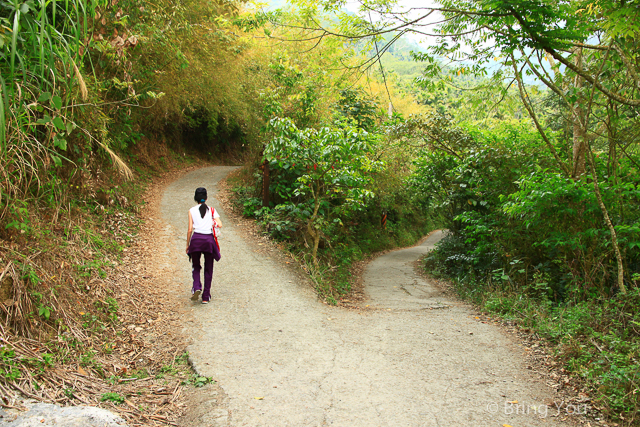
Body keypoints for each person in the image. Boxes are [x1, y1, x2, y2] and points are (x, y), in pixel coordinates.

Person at [186, 187, 221, 304]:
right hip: (209, 241)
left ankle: (196, 287)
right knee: (208, 268)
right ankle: (206, 296)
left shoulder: (191, 210)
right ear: (206, 198)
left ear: (195, 198)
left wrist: (188, 245)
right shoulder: (211, 210)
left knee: (196, 266)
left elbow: (190, 229)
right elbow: (220, 224)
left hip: (196, 240)